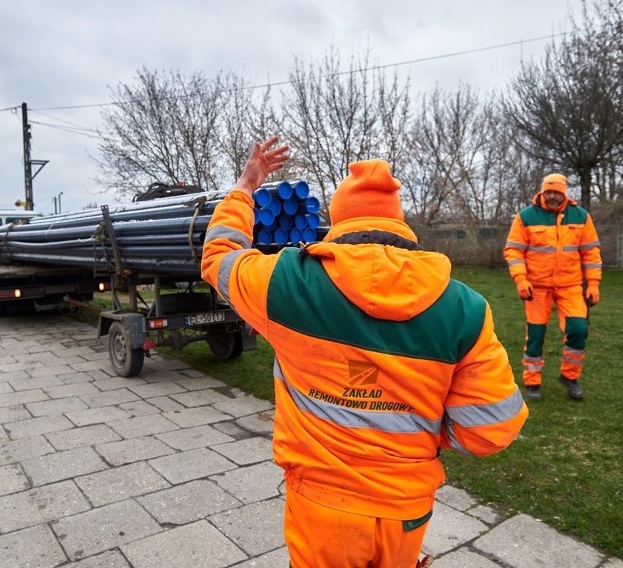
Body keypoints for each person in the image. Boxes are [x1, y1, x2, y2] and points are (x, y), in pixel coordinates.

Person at [201, 136, 528, 568]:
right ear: (399, 222)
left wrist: (245, 186)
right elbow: (490, 430)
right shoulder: (464, 308)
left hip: (322, 507)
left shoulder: (284, 284)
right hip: (407, 508)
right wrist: (417, 435)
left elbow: (219, 256)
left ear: (337, 220)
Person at [503, 173, 603, 401]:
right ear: (542, 191)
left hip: (570, 286)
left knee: (579, 329)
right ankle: (532, 382)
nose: (552, 196)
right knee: (536, 334)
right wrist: (521, 279)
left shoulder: (580, 216)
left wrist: (594, 283)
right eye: (549, 191)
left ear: (564, 193)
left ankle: (570, 376)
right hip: (536, 288)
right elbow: (514, 250)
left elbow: (591, 252)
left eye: (557, 192)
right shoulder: (525, 217)